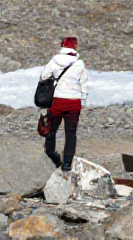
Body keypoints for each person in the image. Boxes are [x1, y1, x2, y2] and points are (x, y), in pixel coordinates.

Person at [40, 36, 88, 169]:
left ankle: (51, 155)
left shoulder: (55, 60)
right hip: (73, 102)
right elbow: (83, 83)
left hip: (57, 101)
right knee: (70, 133)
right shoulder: (79, 63)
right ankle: (67, 162)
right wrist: (83, 100)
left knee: (51, 130)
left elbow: (44, 76)